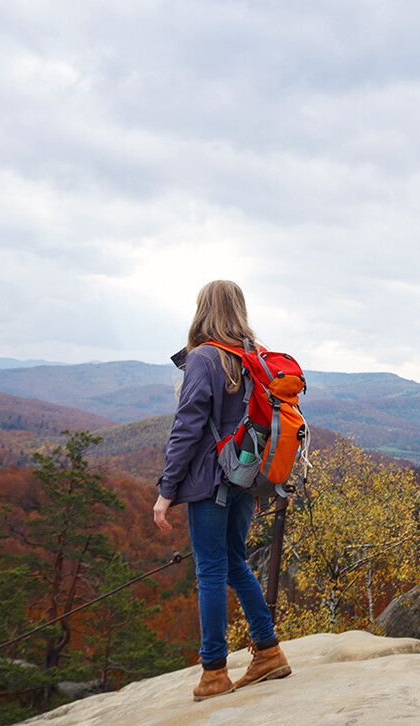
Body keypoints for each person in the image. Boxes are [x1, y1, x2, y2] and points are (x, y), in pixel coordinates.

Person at [151, 279, 293, 701]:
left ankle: (214, 671)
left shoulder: (205, 359)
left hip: (211, 481)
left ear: (203, 310)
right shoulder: (253, 358)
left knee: (211, 569)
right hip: (247, 479)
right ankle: (267, 650)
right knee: (234, 563)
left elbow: (186, 429)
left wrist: (166, 491)